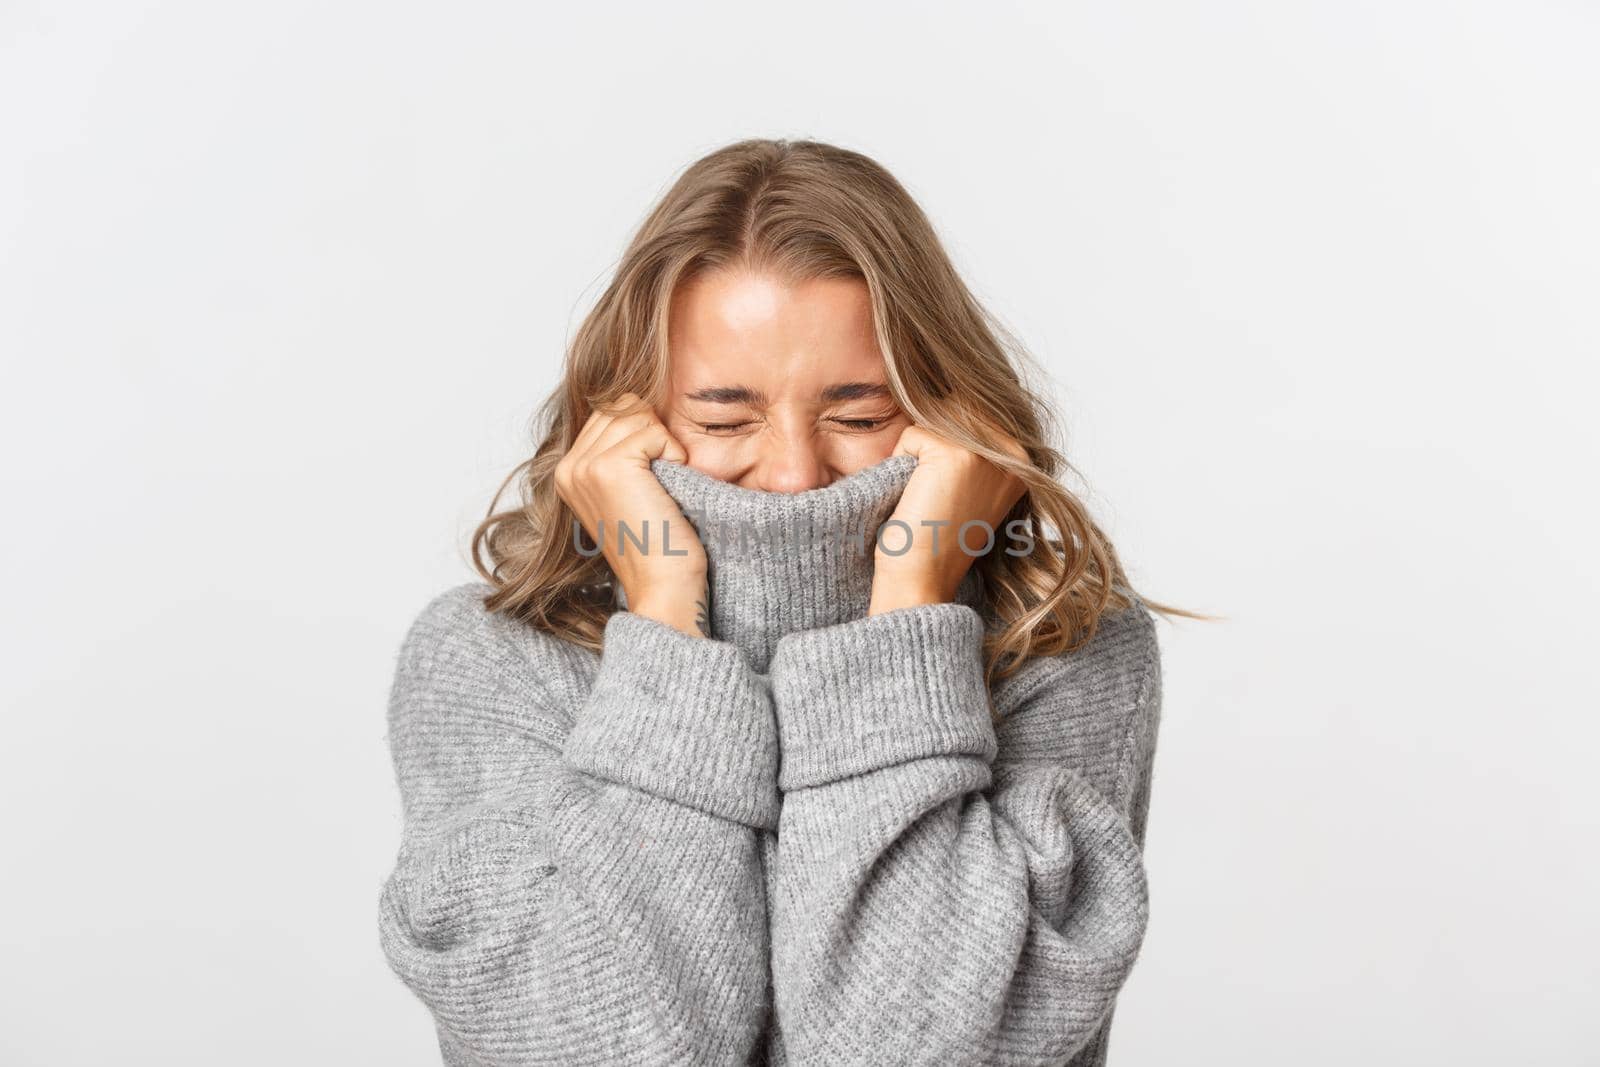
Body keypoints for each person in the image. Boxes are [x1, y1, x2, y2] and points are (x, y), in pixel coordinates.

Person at [377, 137, 1195, 1067]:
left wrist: (910, 609)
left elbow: (909, 1049)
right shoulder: (487, 661)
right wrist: (665, 611)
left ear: (943, 410)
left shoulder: (1065, 645)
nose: (796, 475)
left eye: (858, 414)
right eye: (726, 417)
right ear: (623, 424)